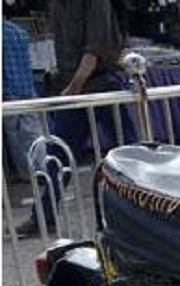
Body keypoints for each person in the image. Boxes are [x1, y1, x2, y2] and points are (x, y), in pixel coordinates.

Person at [15, 0, 135, 238]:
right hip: (76, 84)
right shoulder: (57, 5)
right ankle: (43, 218)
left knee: (130, 151)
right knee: (58, 155)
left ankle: (151, 207)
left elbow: (95, 48)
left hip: (99, 84)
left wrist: (74, 86)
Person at [3, 19, 44, 184]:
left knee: (14, 135)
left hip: (9, 91)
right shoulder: (19, 31)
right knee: (33, 130)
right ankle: (41, 168)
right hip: (27, 86)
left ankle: (25, 173)